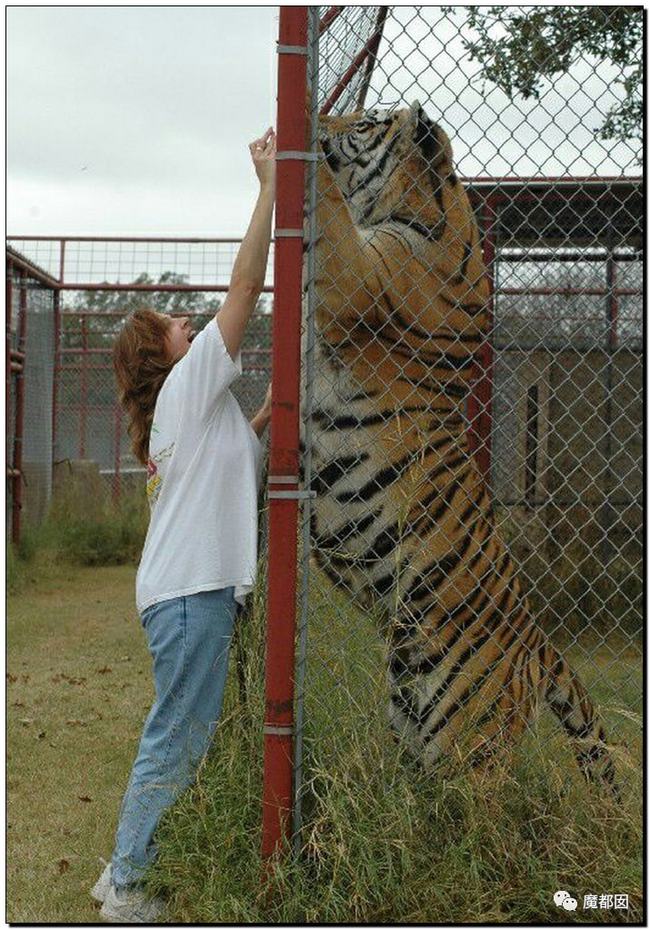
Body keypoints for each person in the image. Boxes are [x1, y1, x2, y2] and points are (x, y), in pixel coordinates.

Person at [92, 127, 276, 923]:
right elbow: (242, 291)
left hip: (184, 594)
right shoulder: (189, 382)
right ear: (163, 356)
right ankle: (127, 883)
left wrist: (278, 409)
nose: (187, 324)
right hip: (193, 595)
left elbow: (241, 448)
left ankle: (121, 868)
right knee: (178, 736)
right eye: (172, 323)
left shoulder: (191, 408)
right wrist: (268, 188)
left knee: (178, 730)